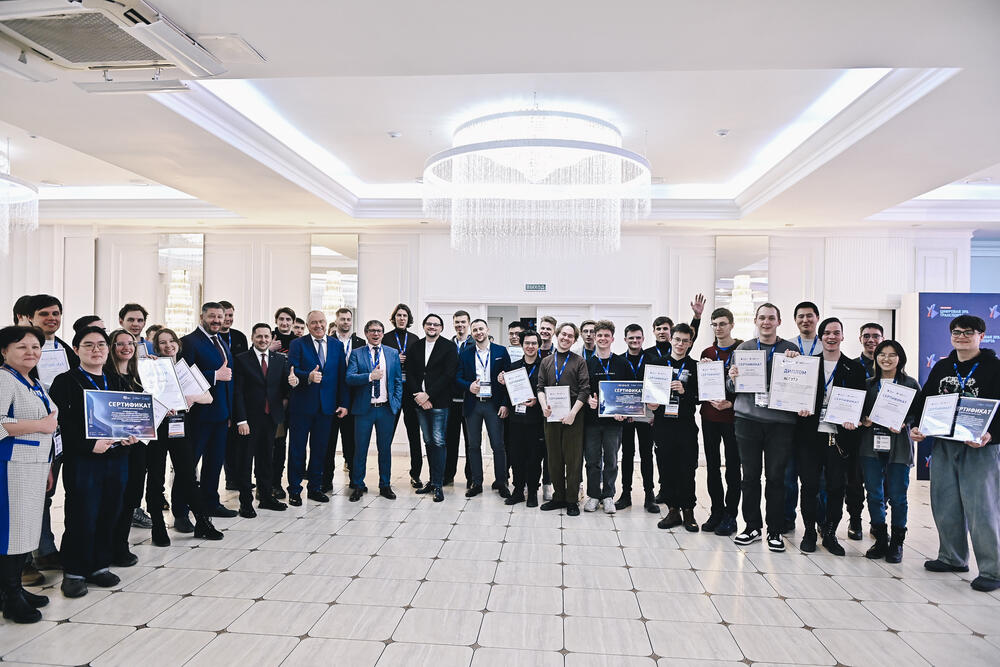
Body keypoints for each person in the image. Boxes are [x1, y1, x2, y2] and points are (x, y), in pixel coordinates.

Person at [911, 314, 1000, 592]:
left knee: (982, 508)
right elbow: (924, 401)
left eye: (968, 332)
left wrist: (991, 435)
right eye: (956, 332)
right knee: (945, 502)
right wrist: (917, 426)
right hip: (945, 445)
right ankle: (952, 557)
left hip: (980, 447)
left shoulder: (995, 367)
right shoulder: (942, 366)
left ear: (981, 336)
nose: (961, 336)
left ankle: (993, 570)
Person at [49, 326, 135, 598]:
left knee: (110, 512)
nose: (96, 350)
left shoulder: (116, 380)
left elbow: (129, 416)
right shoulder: (65, 381)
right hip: (84, 460)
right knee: (82, 515)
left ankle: (99, 566)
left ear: (108, 349)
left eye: (101, 344)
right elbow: (60, 425)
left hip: (116, 458)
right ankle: (74, 572)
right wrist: (88, 445)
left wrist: (133, 435)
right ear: (76, 350)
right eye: (88, 345)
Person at [727, 303, 800, 552]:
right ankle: (752, 527)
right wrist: (732, 377)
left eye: (771, 318)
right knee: (749, 477)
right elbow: (730, 387)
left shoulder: (791, 350)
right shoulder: (743, 349)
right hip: (747, 420)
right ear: (755, 321)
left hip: (781, 423)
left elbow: (801, 385)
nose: (766, 322)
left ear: (779, 321)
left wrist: (796, 364)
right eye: (762, 318)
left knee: (776, 478)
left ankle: (775, 530)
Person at [0, 326, 57, 622]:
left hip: (34, 466)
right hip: (11, 467)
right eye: (22, 347)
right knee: (11, 533)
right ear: (4, 351)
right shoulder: (4, 379)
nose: (31, 352)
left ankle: (15, 589)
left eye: (35, 347)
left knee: (25, 532)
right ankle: (10, 598)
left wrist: (47, 467)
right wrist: (40, 426)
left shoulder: (33, 381)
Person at [145, 329, 223, 545]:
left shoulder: (185, 369)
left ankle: (202, 522)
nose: (168, 345)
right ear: (156, 347)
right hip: (156, 428)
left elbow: (208, 398)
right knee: (156, 478)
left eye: (171, 341)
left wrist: (188, 397)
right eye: (162, 342)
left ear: (178, 344)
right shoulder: (151, 367)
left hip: (179, 427)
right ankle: (158, 526)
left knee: (188, 475)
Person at [795, 317, 866, 555]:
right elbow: (796, 394)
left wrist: (855, 418)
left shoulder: (854, 368)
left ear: (843, 336)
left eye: (836, 332)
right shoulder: (808, 365)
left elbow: (860, 403)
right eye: (827, 333)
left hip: (839, 440)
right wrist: (799, 408)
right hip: (810, 438)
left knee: (837, 488)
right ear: (820, 337)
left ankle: (830, 533)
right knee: (809, 487)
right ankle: (808, 532)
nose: (831, 337)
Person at [859, 340, 919, 563]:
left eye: (892, 355)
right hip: (870, 444)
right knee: (874, 494)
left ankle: (897, 543)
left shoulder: (910, 384)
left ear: (900, 358)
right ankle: (881, 539)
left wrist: (905, 422)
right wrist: (863, 419)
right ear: (876, 358)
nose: (886, 359)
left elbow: (918, 412)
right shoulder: (868, 384)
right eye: (882, 354)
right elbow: (858, 410)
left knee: (898, 496)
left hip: (899, 445)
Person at [180, 302, 238, 520]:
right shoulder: (189, 342)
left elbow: (229, 380)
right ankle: (181, 510)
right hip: (199, 415)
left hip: (221, 415)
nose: (217, 320)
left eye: (220, 317)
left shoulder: (220, 341)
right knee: (189, 466)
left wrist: (230, 413)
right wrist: (214, 375)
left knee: (214, 464)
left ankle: (211, 503)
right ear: (202, 316)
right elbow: (183, 375)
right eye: (212, 316)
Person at [286, 311, 349, 505]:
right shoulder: (297, 344)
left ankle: (315, 488)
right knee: (297, 450)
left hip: (326, 408)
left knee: (320, 450)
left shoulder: (337, 345)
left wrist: (343, 403)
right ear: (307, 325)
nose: (318, 325)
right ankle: (294, 490)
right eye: (313, 323)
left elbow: (341, 376)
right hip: (301, 407)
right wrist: (308, 376)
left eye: (321, 321)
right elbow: (291, 369)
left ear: (327, 323)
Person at [233, 323, 292, 516]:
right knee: (245, 462)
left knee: (266, 459)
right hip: (249, 420)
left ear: (271, 338)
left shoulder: (279, 359)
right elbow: (237, 393)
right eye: (259, 336)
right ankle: (245, 503)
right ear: (252, 338)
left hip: (271, 418)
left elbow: (283, 388)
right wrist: (241, 420)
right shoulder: (242, 359)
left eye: (266, 336)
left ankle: (266, 497)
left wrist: (293, 382)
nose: (263, 340)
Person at [104, 330, 149, 566]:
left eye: (130, 343)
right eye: (119, 344)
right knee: (115, 498)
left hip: (138, 446)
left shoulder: (138, 377)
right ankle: (110, 546)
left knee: (132, 496)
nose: (126, 347)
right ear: (111, 348)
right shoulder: (106, 377)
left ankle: (121, 544)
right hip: (115, 447)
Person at [536, 323, 590, 516]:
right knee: (554, 458)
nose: (566, 338)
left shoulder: (579, 361)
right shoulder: (546, 361)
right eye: (563, 334)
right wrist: (544, 406)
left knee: (573, 459)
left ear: (574, 340)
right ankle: (558, 496)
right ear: (557, 335)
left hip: (573, 415)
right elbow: (540, 387)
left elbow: (585, 389)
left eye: (570, 336)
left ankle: (572, 499)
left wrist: (573, 413)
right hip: (551, 414)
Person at [347, 320, 403, 501]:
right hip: (364, 409)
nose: (376, 334)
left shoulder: (392, 353)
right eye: (372, 331)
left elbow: (397, 380)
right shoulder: (357, 353)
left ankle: (385, 485)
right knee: (360, 449)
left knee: (384, 449)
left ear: (383, 333)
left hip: (386, 409)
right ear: (366, 333)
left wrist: (396, 403)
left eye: (379, 331)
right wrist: (370, 376)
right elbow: (349, 378)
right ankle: (358, 485)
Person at [651, 323, 700, 531]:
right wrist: (651, 404)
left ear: (690, 343)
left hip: (686, 425)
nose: (680, 344)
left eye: (685, 341)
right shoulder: (658, 365)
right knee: (666, 468)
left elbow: (700, 398)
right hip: (663, 425)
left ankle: (688, 510)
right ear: (671, 339)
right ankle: (673, 510)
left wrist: (684, 392)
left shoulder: (696, 367)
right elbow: (650, 395)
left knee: (687, 468)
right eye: (677, 339)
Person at [456, 319, 512, 498]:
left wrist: (505, 403)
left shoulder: (501, 351)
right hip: (473, 404)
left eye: (481, 329)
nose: (478, 332)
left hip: (494, 404)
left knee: (498, 445)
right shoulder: (465, 353)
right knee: (473, 445)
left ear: (487, 330)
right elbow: (457, 377)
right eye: (475, 330)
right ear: (472, 333)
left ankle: (501, 482)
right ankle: (477, 482)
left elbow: (509, 379)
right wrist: (468, 386)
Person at [699, 308, 742, 535]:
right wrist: (703, 369)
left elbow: (750, 387)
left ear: (732, 325)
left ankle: (730, 515)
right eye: (714, 324)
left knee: (733, 468)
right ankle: (716, 511)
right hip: (710, 417)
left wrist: (731, 403)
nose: (718, 328)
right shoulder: (707, 352)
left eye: (723, 324)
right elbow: (701, 387)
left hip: (733, 418)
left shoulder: (743, 350)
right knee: (713, 467)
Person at [407, 314, 458, 502]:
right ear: (424, 326)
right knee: (428, 442)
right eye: (429, 324)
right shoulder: (416, 346)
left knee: (438, 442)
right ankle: (431, 480)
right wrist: (419, 396)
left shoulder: (448, 347)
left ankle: (438, 484)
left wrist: (428, 395)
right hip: (419, 402)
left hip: (439, 402)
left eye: (436, 324)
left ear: (441, 328)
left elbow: (448, 375)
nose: (432, 327)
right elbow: (410, 373)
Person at [784, 301, 824, 534]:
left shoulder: (826, 346)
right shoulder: (788, 347)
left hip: (818, 423)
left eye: (809, 316)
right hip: (791, 422)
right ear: (795, 320)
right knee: (788, 476)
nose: (805, 320)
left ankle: (820, 521)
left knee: (816, 479)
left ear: (817, 318)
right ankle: (787, 518)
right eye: (801, 316)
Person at [582, 320, 628, 514]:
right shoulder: (587, 364)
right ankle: (593, 495)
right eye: (599, 335)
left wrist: (623, 411)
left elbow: (629, 392)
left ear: (612, 339)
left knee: (611, 460)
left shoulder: (622, 363)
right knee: (592, 461)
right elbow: (581, 389)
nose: (602, 338)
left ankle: (608, 496)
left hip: (614, 422)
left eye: (606, 335)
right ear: (595, 337)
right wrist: (587, 400)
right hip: (591, 421)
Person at [617, 324, 661, 513]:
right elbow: (617, 389)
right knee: (627, 455)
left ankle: (649, 495)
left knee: (646, 455)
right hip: (626, 416)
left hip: (647, 417)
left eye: (638, 338)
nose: (635, 341)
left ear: (643, 339)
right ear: (625, 339)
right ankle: (625, 494)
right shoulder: (619, 360)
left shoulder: (653, 360)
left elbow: (659, 388)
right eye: (631, 338)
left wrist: (655, 414)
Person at [501, 329, 545, 506]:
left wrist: (537, 400)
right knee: (516, 457)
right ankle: (518, 490)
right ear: (521, 344)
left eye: (534, 343)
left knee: (534, 458)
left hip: (536, 420)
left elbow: (547, 390)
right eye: (527, 343)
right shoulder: (514, 367)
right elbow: (507, 392)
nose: (530, 346)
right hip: (516, 420)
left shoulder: (544, 366)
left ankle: (532, 492)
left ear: (539, 345)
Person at [323, 308, 365, 491]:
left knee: (351, 443)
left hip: (354, 400)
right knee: (328, 443)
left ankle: (355, 481)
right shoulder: (328, 341)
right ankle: (326, 481)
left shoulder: (360, 343)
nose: (346, 322)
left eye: (348, 319)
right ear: (336, 320)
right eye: (342, 319)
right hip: (331, 398)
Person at [383, 303, 424, 490]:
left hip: (411, 392)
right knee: (387, 435)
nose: (401, 318)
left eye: (405, 316)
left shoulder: (415, 339)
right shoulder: (385, 338)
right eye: (398, 315)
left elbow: (421, 366)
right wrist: (394, 359)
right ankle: (385, 476)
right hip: (392, 392)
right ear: (394, 318)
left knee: (414, 435)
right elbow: (380, 362)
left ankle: (416, 474)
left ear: (408, 319)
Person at [220, 301, 250, 492]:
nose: (228, 319)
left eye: (231, 315)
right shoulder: (213, 338)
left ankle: (240, 476)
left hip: (238, 391)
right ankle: (230, 478)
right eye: (225, 315)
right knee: (225, 440)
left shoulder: (239, 336)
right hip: (220, 392)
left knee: (239, 439)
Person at [268, 306, 297, 497]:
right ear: (276, 321)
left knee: (285, 445)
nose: (284, 323)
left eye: (288, 320)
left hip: (293, 401)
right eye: (281, 319)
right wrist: (269, 349)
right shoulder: (268, 338)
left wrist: (287, 397)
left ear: (293, 322)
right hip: (273, 402)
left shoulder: (298, 342)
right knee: (272, 444)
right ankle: (269, 484)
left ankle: (279, 482)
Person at [444, 310, 473, 485]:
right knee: (450, 440)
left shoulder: (474, 344)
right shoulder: (447, 345)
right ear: (453, 324)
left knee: (471, 442)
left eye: (463, 322)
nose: (460, 325)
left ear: (468, 323)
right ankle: (448, 475)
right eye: (457, 322)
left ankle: (471, 478)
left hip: (470, 400)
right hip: (450, 401)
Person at [27, 295, 79, 370]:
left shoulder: (68, 352)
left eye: (55, 314)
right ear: (30, 317)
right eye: (44, 314)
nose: (51, 318)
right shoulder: (19, 348)